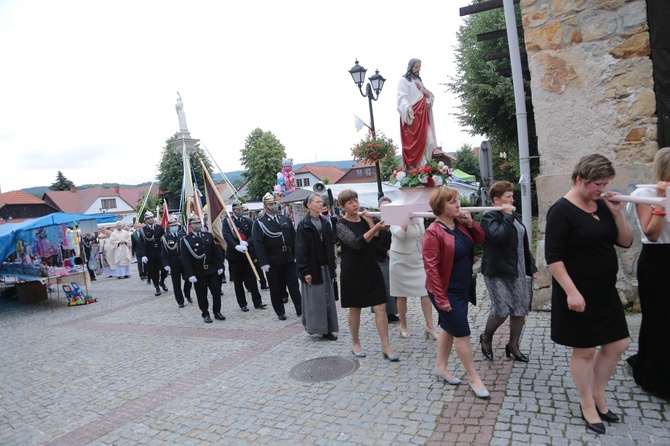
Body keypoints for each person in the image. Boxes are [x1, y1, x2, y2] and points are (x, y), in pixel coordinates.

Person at [545, 154, 633, 434]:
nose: (602, 188)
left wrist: (617, 212)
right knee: (584, 350)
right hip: (577, 292)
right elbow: (554, 258)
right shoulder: (561, 210)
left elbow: (626, 241)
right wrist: (571, 292)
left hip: (604, 291)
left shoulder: (603, 205)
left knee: (618, 345)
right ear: (580, 179)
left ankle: (598, 393)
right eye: (597, 183)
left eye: (605, 183)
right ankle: (587, 403)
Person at [422, 187, 488, 398]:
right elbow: (430, 268)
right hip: (445, 291)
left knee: (449, 328)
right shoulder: (433, 232)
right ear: (440, 207)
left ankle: (440, 368)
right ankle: (473, 377)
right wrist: (441, 299)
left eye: (457, 200)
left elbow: (479, 239)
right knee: (463, 334)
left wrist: (470, 222)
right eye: (452, 202)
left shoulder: (460, 224)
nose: (458, 204)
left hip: (461, 287)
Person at [626, 147, 670, 400]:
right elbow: (652, 233)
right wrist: (661, 201)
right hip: (657, 260)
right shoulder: (645, 194)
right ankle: (655, 375)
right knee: (658, 319)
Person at [336, 189, 399, 361]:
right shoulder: (341, 225)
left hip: (371, 267)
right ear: (342, 207)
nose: (354, 204)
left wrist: (371, 222)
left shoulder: (365, 218)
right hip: (353, 271)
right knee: (355, 309)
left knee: (381, 308)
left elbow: (377, 239)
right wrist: (376, 227)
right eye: (349, 202)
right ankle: (355, 342)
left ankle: (386, 345)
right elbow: (356, 243)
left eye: (355, 200)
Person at [479, 181, 538, 362]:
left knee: (520, 308)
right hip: (497, 271)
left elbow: (521, 242)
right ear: (497, 200)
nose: (513, 200)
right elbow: (499, 237)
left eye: (513, 196)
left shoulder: (512, 215)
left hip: (517, 269)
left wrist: (531, 266)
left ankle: (513, 345)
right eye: (508, 197)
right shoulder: (489, 217)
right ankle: (486, 338)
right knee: (501, 310)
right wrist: (507, 216)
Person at [252, 193, 302, 321]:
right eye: (270, 204)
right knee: (276, 287)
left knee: (294, 285)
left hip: (288, 257)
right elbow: (259, 244)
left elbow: (293, 237)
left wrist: (296, 255)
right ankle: (280, 311)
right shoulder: (260, 223)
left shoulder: (284, 219)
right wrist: (263, 262)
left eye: (274, 203)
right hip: (273, 260)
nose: (273, 206)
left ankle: (300, 308)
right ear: (265, 206)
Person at [295, 194, 338, 340]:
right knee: (316, 300)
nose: (321, 204)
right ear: (309, 205)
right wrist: (305, 271)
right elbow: (300, 250)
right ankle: (318, 328)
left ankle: (329, 328)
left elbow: (330, 246)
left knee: (328, 298)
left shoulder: (325, 222)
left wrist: (332, 267)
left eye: (321, 202)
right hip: (312, 268)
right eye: (318, 202)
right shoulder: (303, 225)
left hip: (325, 266)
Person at [390, 217, 437, 340]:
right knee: (401, 294)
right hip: (400, 260)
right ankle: (403, 325)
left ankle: (430, 326)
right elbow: (398, 235)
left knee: (425, 292)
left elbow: (421, 236)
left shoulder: (418, 216)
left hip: (417, 258)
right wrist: (405, 220)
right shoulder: (394, 215)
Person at [222, 201, 268, 312]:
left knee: (252, 279)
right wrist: (236, 246)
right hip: (235, 256)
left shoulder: (247, 221)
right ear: (234, 211)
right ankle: (242, 304)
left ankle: (258, 302)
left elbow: (253, 235)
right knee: (238, 282)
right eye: (238, 209)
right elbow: (227, 236)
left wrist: (247, 243)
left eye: (242, 208)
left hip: (247, 255)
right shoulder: (228, 222)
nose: (241, 211)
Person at [180, 216, 225, 323]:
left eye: (198, 222)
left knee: (216, 292)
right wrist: (190, 274)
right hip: (198, 271)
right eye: (195, 223)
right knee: (202, 294)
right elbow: (186, 259)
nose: (197, 225)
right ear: (190, 226)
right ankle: (205, 313)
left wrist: (219, 266)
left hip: (212, 269)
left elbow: (216, 253)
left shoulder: (208, 236)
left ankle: (217, 312)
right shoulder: (186, 240)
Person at [397, 58, 437, 168]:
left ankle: (425, 169)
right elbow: (401, 98)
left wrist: (428, 94)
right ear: (410, 67)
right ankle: (417, 171)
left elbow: (427, 100)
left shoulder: (419, 81)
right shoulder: (404, 81)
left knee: (429, 143)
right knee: (414, 147)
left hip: (423, 117)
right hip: (412, 117)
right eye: (416, 67)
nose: (418, 69)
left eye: (419, 67)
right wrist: (407, 107)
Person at [374, 197, 399, 323]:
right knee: (385, 286)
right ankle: (385, 312)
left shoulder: (396, 221)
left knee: (394, 285)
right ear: (379, 208)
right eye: (383, 206)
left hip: (394, 257)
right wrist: (386, 251)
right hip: (380, 258)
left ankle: (393, 311)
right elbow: (374, 242)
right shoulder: (375, 222)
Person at [161, 218, 193, 308]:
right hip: (173, 262)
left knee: (188, 279)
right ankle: (180, 301)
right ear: (169, 227)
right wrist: (166, 264)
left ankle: (187, 294)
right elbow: (163, 253)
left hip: (184, 261)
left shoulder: (183, 235)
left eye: (175, 225)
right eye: (172, 226)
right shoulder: (165, 238)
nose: (174, 227)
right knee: (176, 283)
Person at [137, 212, 169, 296]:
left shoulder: (159, 228)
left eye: (151, 218)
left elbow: (164, 239)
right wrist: (143, 255)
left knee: (164, 270)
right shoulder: (143, 230)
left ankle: (162, 282)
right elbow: (142, 243)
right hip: (150, 254)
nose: (150, 219)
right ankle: (157, 287)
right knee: (153, 272)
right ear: (146, 220)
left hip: (160, 253)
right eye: (148, 218)